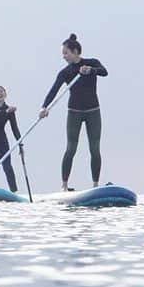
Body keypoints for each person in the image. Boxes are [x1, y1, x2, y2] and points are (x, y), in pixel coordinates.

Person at [39, 34, 107, 190]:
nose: (63, 56)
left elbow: (104, 72)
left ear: (75, 51)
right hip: (74, 112)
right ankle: (64, 185)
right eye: (63, 53)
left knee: (94, 148)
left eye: (66, 53)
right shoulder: (66, 72)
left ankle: (95, 185)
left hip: (93, 112)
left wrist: (91, 70)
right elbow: (54, 90)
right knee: (71, 148)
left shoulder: (92, 63)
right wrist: (44, 107)